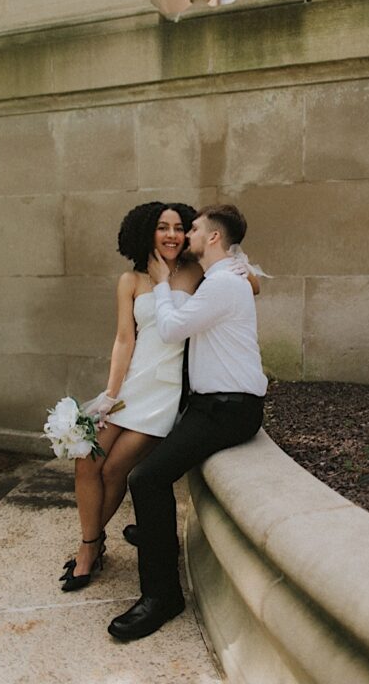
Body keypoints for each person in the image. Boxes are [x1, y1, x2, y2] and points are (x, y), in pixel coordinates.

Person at [59, 202, 258, 591]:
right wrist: (109, 394)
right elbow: (123, 338)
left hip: (165, 393)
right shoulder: (131, 280)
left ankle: (90, 548)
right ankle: (91, 542)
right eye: (163, 227)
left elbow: (250, 286)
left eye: (180, 227)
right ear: (147, 232)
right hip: (131, 385)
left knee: (117, 468)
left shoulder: (198, 272)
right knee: (87, 461)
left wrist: (241, 266)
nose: (172, 234)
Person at [107, 203, 267, 641]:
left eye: (193, 228)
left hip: (229, 409)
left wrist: (160, 285)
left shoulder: (222, 285)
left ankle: (162, 597)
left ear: (212, 238)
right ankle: (154, 533)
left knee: (147, 479)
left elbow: (172, 328)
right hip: (208, 404)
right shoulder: (221, 277)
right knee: (154, 458)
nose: (187, 234)